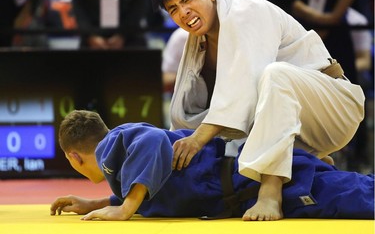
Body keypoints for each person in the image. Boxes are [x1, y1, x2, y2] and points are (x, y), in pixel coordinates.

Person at [150, 0, 365, 221]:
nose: (184, 12)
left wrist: (197, 140)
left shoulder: (246, 9)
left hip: (336, 107)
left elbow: (246, 87)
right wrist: (173, 150)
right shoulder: (199, 41)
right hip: (300, 125)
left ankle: (270, 193)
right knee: (222, 152)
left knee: (276, 74)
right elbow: (187, 114)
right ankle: (308, 164)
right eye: (173, 9)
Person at [50, 110, 374, 221]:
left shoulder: (113, 146)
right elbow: (156, 191)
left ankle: (308, 160)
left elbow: (152, 143)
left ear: (74, 157)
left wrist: (124, 209)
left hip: (252, 180)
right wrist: (96, 203)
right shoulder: (123, 173)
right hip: (246, 189)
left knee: (360, 198)